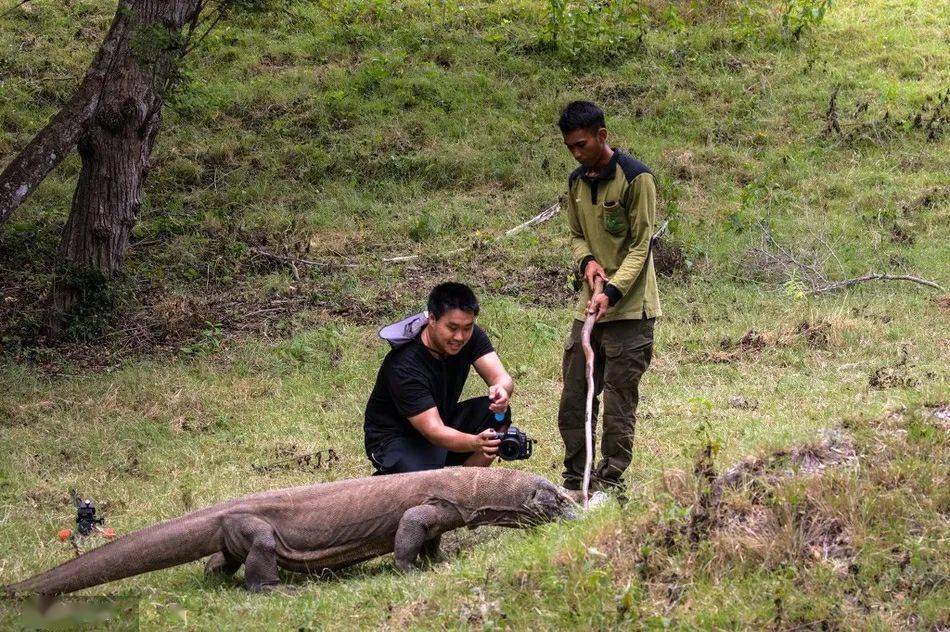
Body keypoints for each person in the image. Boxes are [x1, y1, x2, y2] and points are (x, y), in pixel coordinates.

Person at [556, 100, 661, 499]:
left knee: (619, 404)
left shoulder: (637, 179)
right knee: (574, 398)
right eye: (570, 148)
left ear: (602, 136)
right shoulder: (576, 182)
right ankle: (574, 482)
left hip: (630, 313)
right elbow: (576, 234)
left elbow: (641, 245)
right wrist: (586, 262)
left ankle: (609, 482)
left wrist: (613, 290)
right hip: (588, 312)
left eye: (582, 144)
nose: (577, 154)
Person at [364, 282, 515, 475]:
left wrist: (502, 389)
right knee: (424, 482)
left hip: (441, 422)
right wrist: (475, 442)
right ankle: (395, 479)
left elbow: (501, 377)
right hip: (395, 439)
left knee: (495, 414)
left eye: (467, 327)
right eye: (452, 328)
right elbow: (433, 431)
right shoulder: (404, 364)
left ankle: (467, 485)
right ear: (432, 319)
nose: (460, 337)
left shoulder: (471, 336)